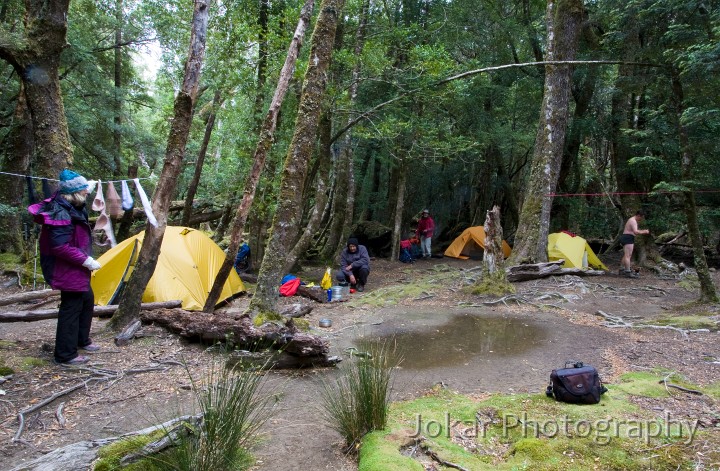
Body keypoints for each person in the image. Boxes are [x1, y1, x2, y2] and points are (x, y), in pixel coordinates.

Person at [28, 170, 102, 365]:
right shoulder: (60, 212)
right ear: (75, 192)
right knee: (71, 306)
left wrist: (87, 185)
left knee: (87, 299)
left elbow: (78, 191)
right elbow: (60, 246)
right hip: (65, 267)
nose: (87, 193)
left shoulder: (71, 204)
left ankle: (81, 340)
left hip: (74, 265)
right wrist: (86, 260)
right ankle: (65, 354)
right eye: (85, 191)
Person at [619, 210, 650, 278]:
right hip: (628, 238)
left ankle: (621, 269)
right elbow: (635, 232)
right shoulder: (633, 221)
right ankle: (628, 272)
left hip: (626, 237)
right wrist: (644, 231)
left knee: (626, 255)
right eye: (641, 218)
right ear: (639, 215)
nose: (641, 219)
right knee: (628, 256)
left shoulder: (631, 220)